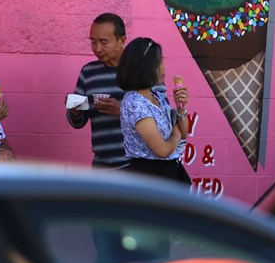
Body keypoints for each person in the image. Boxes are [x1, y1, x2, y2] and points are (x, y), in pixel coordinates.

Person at [116, 37, 191, 183]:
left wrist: (181, 108)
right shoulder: (134, 103)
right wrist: (175, 135)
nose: (164, 67)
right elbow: (162, 150)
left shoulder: (158, 96)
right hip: (149, 178)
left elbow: (184, 132)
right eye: (160, 61)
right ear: (147, 67)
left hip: (169, 174)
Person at [67, 13, 130, 170]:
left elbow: (160, 117)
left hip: (136, 167)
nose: (97, 48)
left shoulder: (143, 70)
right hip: (102, 168)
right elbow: (78, 123)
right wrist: (74, 111)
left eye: (103, 42)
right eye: (93, 42)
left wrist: (122, 110)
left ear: (122, 41)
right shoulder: (88, 73)